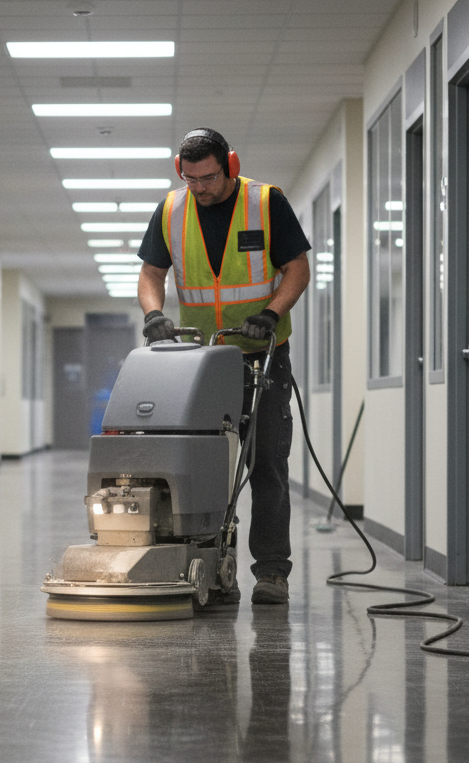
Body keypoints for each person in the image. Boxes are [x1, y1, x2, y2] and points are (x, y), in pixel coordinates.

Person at [137, 128, 311, 606]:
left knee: (268, 463)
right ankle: (212, 565)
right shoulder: (172, 211)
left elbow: (297, 266)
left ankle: (272, 572)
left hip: (262, 352)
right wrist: (153, 314)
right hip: (201, 358)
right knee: (204, 464)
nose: (200, 188)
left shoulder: (266, 202)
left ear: (229, 165)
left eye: (209, 177)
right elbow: (152, 273)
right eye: (190, 179)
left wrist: (272, 313)